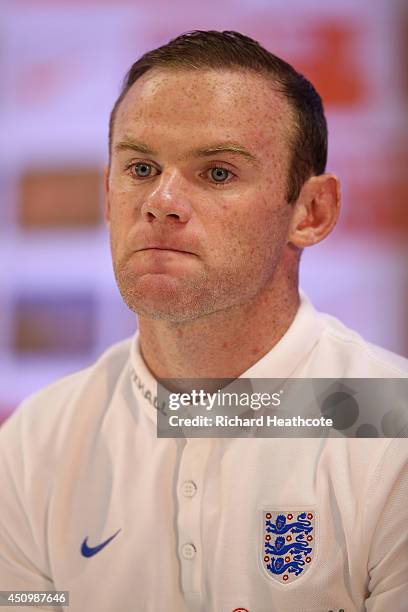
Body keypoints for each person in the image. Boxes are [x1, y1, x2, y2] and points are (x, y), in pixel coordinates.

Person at [0, 30, 407, 612]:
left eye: (217, 172)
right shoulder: (34, 442)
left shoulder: (393, 430)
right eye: (140, 167)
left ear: (312, 212)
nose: (161, 200)